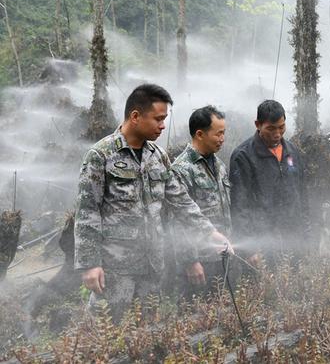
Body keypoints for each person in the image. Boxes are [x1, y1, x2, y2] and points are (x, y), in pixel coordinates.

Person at [74, 84, 231, 320]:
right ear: (135, 116)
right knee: (107, 334)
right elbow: (87, 212)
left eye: (164, 119)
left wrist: (209, 232)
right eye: (158, 119)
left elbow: (181, 202)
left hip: (152, 267)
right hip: (116, 269)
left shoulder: (158, 156)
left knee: (147, 335)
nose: (163, 125)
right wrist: (89, 264)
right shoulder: (101, 155)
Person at [229, 100, 309, 266]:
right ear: (258, 124)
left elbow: (302, 194)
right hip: (261, 243)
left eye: (281, 127)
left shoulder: (292, 151)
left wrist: (306, 233)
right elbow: (239, 205)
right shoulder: (243, 156)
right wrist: (249, 250)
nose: (278, 133)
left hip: (292, 239)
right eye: (271, 128)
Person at [171, 105, 232, 297]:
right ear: (199, 134)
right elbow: (177, 219)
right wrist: (190, 261)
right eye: (218, 134)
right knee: (197, 314)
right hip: (200, 261)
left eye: (224, 133)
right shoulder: (181, 169)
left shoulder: (219, 165)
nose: (222, 139)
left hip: (221, 256)